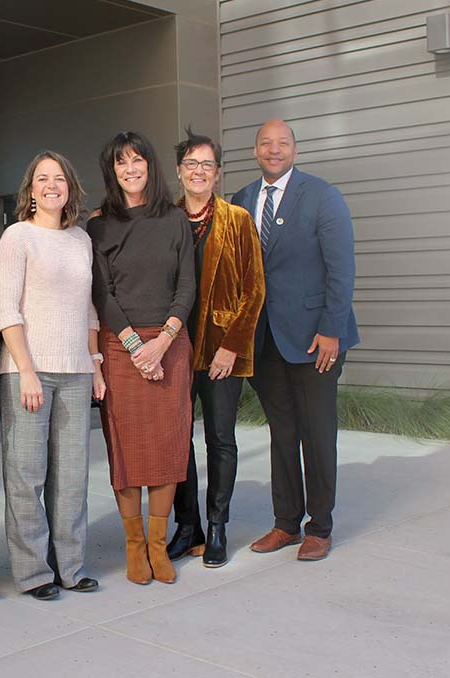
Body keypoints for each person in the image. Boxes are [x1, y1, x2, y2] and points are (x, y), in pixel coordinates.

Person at [231, 119, 359, 562]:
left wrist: (332, 330)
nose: (273, 149)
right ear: (255, 151)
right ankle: (286, 523)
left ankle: (319, 527)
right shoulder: (242, 200)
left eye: (282, 143)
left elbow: (342, 270)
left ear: (295, 150)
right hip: (265, 340)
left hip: (313, 339)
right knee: (282, 432)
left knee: (317, 432)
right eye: (265, 143)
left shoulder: (322, 196)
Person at [0, 151, 106, 601]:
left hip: (77, 372)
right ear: (31, 189)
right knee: (27, 474)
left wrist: (95, 366)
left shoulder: (81, 239)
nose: (51, 184)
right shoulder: (16, 237)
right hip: (28, 373)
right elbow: (7, 309)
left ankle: (71, 566)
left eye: (59, 177)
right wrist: (27, 370)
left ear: (70, 188)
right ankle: (34, 572)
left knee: (72, 475)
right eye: (42, 178)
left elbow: (90, 309)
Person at [87, 131, 195, 585]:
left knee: (168, 446)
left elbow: (186, 285)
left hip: (169, 346)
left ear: (150, 166)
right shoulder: (100, 225)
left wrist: (163, 340)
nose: (130, 169)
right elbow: (102, 292)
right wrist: (134, 345)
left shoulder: (175, 220)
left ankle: (157, 544)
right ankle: (134, 546)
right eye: (120, 163)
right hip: (121, 347)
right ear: (112, 172)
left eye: (137, 161)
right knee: (127, 450)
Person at [168, 128, 265, 568]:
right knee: (177, 441)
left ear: (218, 173)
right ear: (179, 171)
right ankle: (188, 527)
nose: (199, 172)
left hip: (221, 351)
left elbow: (254, 290)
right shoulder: (164, 221)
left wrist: (232, 345)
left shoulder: (238, 220)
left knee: (221, 439)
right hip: (175, 349)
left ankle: (219, 527)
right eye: (192, 164)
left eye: (207, 164)